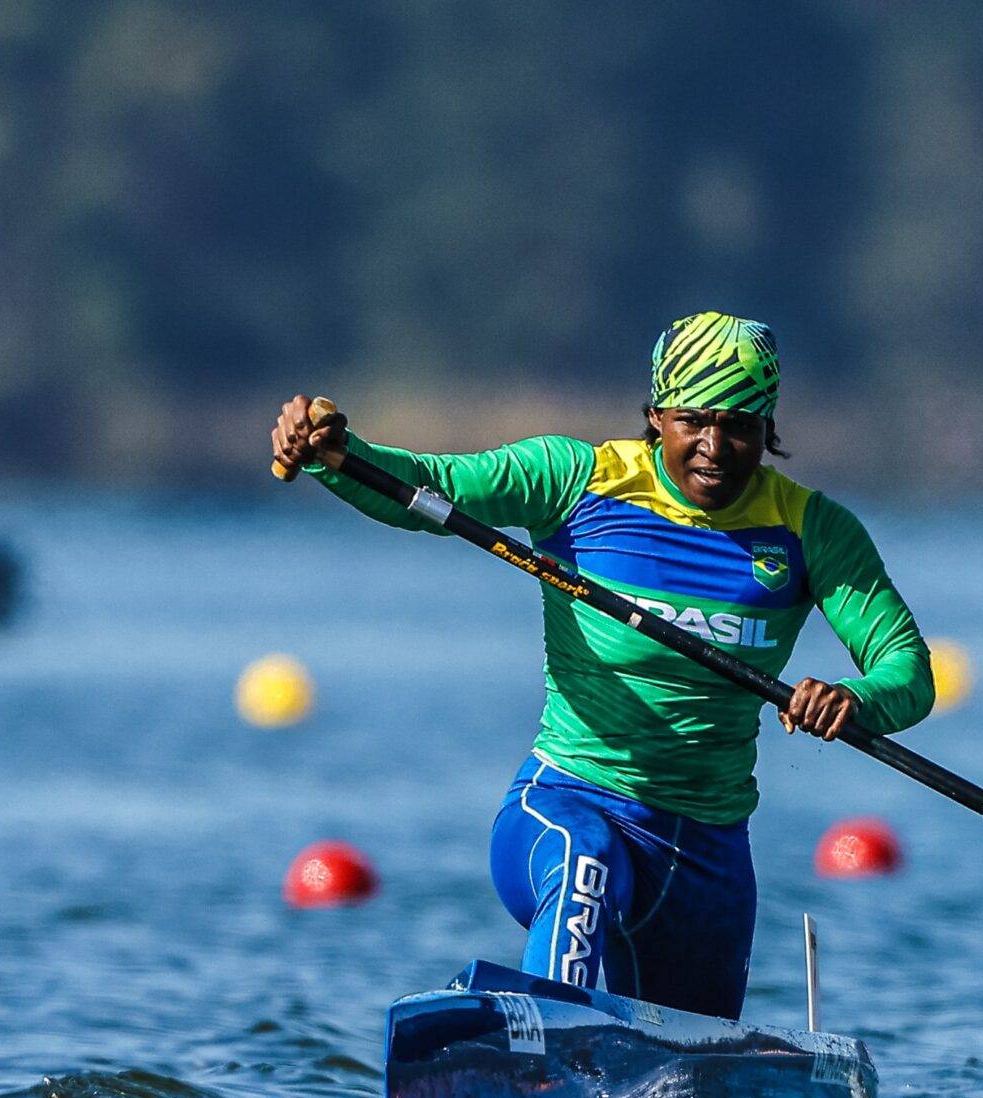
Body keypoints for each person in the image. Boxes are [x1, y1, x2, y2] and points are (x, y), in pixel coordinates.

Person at [272, 311, 934, 1018]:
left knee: (688, 1089)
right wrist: (334, 454)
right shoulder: (573, 480)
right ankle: (546, 1045)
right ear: (656, 415)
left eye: (740, 426)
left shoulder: (811, 530)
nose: (715, 446)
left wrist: (851, 699)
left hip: (706, 857)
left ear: (766, 428)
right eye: (694, 421)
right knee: (587, 858)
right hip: (568, 803)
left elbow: (907, 669)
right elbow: (428, 488)